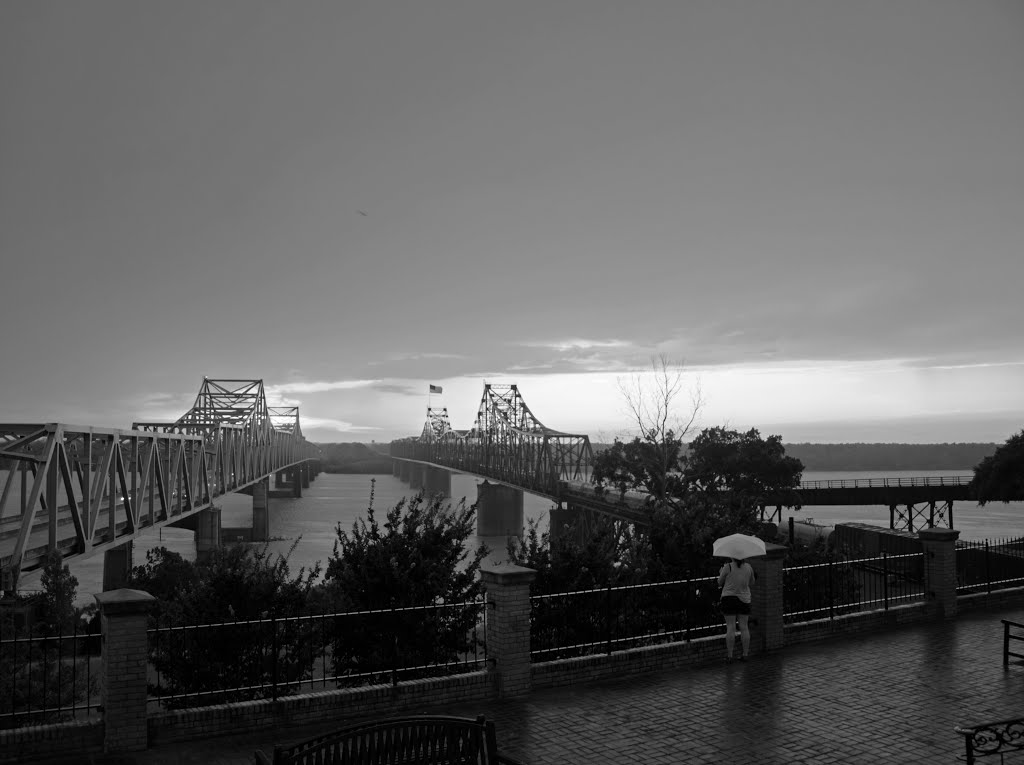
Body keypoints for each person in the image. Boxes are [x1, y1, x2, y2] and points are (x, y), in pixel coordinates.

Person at [718, 557, 756, 661]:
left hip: (729, 599)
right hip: (744, 600)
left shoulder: (728, 567)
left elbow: (719, 582)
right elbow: (752, 582)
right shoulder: (748, 567)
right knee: (744, 627)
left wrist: (721, 572)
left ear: (732, 556)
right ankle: (745, 654)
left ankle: (730, 656)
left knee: (731, 627)